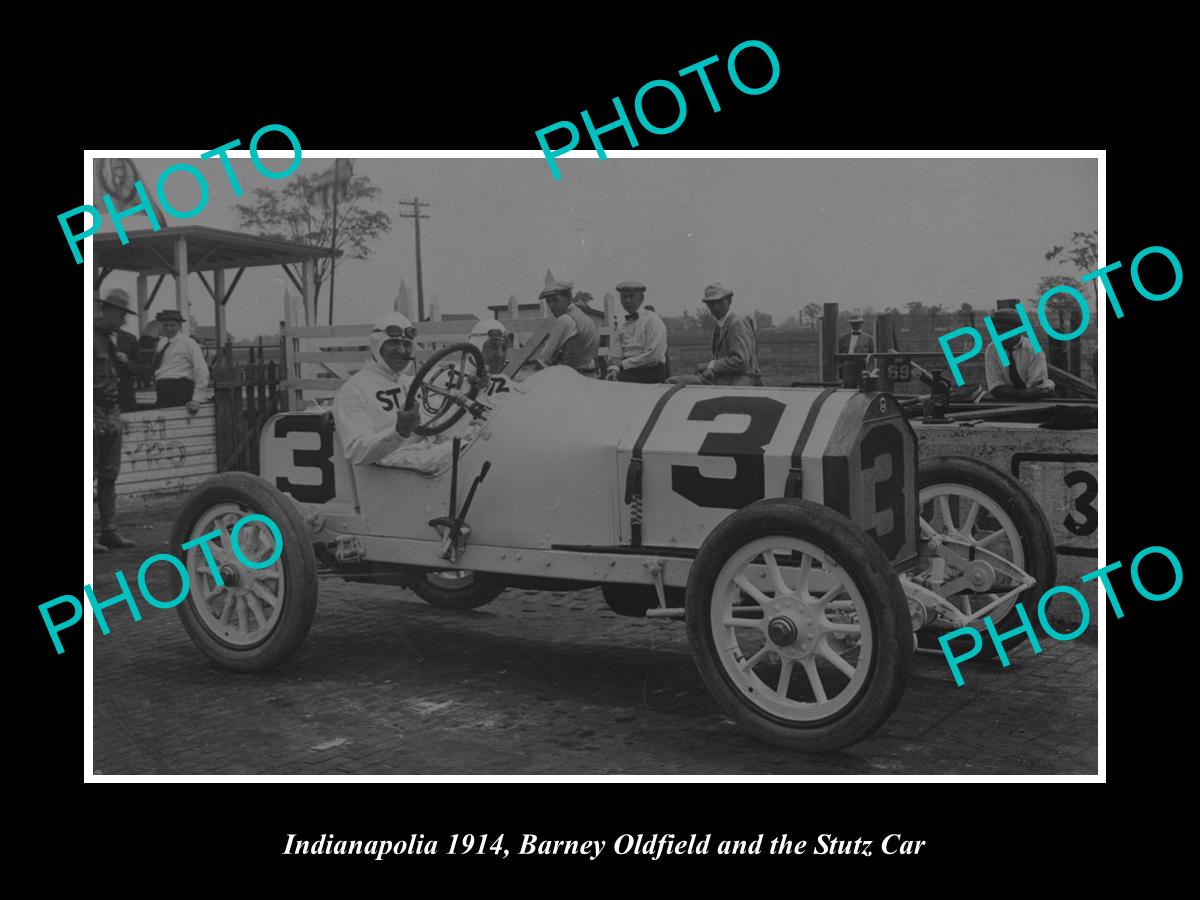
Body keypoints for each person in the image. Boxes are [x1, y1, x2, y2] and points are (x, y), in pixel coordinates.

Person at [333, 312, 424, 465]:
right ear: (377, 346)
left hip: (425, 458)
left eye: (407, 345)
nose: (402, 351)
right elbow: (355, 451)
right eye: (393, 343)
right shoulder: (354, 390)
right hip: (390, 472)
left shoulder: (411, 383)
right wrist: (399, 433)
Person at [93, 292, 138, 552]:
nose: (122, 321)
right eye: (120, 315)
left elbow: (111, 379)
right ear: (107, 311)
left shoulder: (110, 340)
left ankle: (109, 532)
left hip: (110, 411)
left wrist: (116, 412)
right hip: (93, 411)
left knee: (109, 474)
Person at [668, 283, 763, 386]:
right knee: (673, 382)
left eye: (719, 302)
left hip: (740, 382)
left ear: (729, 301)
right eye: (711, 304)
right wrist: (709, 369)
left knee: (674, 383)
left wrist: (711, 365)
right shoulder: (719, 327)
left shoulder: (737, 324)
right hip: (724, 379)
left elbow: (740, 362)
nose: (715, 307)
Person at [982, 306, 1056, 401]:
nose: (1001, 336)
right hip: (1010, 399)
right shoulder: (992, 349)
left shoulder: (1032, 348)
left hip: (1042, 398)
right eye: (997, 331)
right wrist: (1022, 394)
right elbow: (995, 388)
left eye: (1007, 331)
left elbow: (1036, 389)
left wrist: (1011, 392)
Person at [606, 280, 668, 383]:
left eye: (631, 296)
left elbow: (654, 357)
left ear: (642, 298)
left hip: (650, 375)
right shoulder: (622, 324)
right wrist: (614, 369)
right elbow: (615, 354)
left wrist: (623, 364)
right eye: (624, 297)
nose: (628, 300)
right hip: (626, 373)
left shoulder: (652, 320)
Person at [151, 309, 211, 411]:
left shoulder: (188, 343)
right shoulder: (161, 343)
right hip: (162, 389)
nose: (169, 328)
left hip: (179, 389)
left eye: (172, 325)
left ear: (179, 326)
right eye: (165, 325)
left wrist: (196, 399)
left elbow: (201, 370)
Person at [537, 281, 599, 376]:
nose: (551, 306)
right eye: (548, 302)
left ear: (568, 298)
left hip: (572, 378)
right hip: (590, 376)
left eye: (555, 300)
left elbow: (545, 357)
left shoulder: (565, 320)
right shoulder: (586, 318)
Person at [838, 314, 875, 384]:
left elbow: (871, 355)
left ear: (861, 323)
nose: (856, 325)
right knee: (848, 389)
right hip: (847, 367)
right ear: (850, 324)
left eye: (858, 323)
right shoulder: (843, 338)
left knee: (863, 388)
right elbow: (839, 352)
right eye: (854, 323)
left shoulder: (869, 338)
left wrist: (869, 369)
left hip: (862, 367)